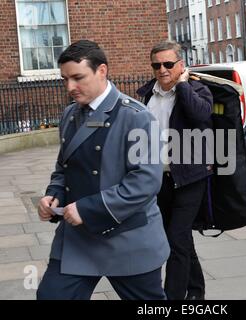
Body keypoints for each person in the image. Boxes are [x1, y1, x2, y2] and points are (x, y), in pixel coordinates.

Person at [37, 40, 170, 300]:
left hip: (128, 237)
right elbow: (63, 168)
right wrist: (54, 194)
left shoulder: (136, 116)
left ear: (102, 71)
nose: (70, 87)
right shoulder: (69, 115)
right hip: (78, 239)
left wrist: (87, 209)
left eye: (78, 78)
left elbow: (145, 182)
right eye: (65, 79)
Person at [137, 40, 213, 300]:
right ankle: (197, 291)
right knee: (180, 239)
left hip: (190, 178)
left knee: (176, 240)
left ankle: (172, 299)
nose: (162, 69)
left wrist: (183, 85)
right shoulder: (148, 95)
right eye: (156, 65)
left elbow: (200, 115)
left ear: (181, 65)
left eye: (168, 64)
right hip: (160, 179)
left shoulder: (197, 90)